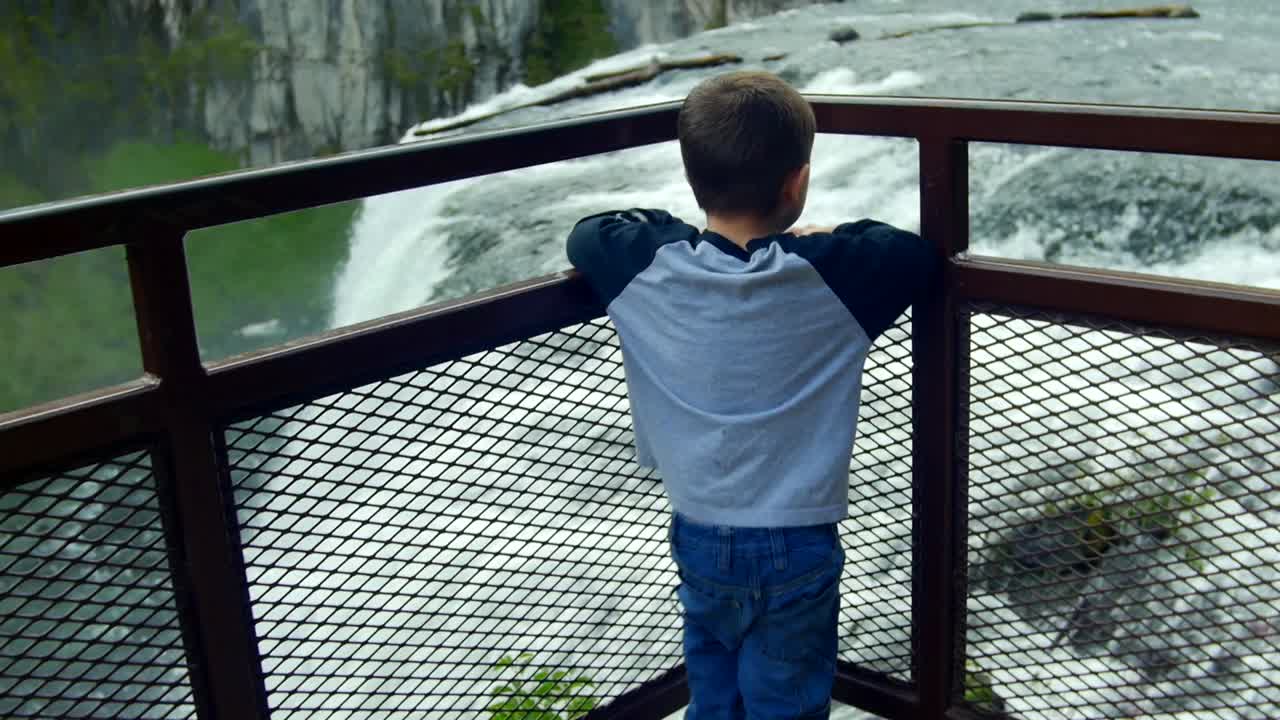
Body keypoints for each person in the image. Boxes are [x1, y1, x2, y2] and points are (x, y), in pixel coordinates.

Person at [565, 71, 939, 719]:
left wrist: (673, 230)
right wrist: (820, 237)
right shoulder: (828, 278)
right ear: (795, 182)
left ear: (694, 179)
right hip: (796, 541)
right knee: (785, 703)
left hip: (699, 530)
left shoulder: (651, 267)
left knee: (712, 688)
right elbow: (910, 255)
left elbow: (590, 233)